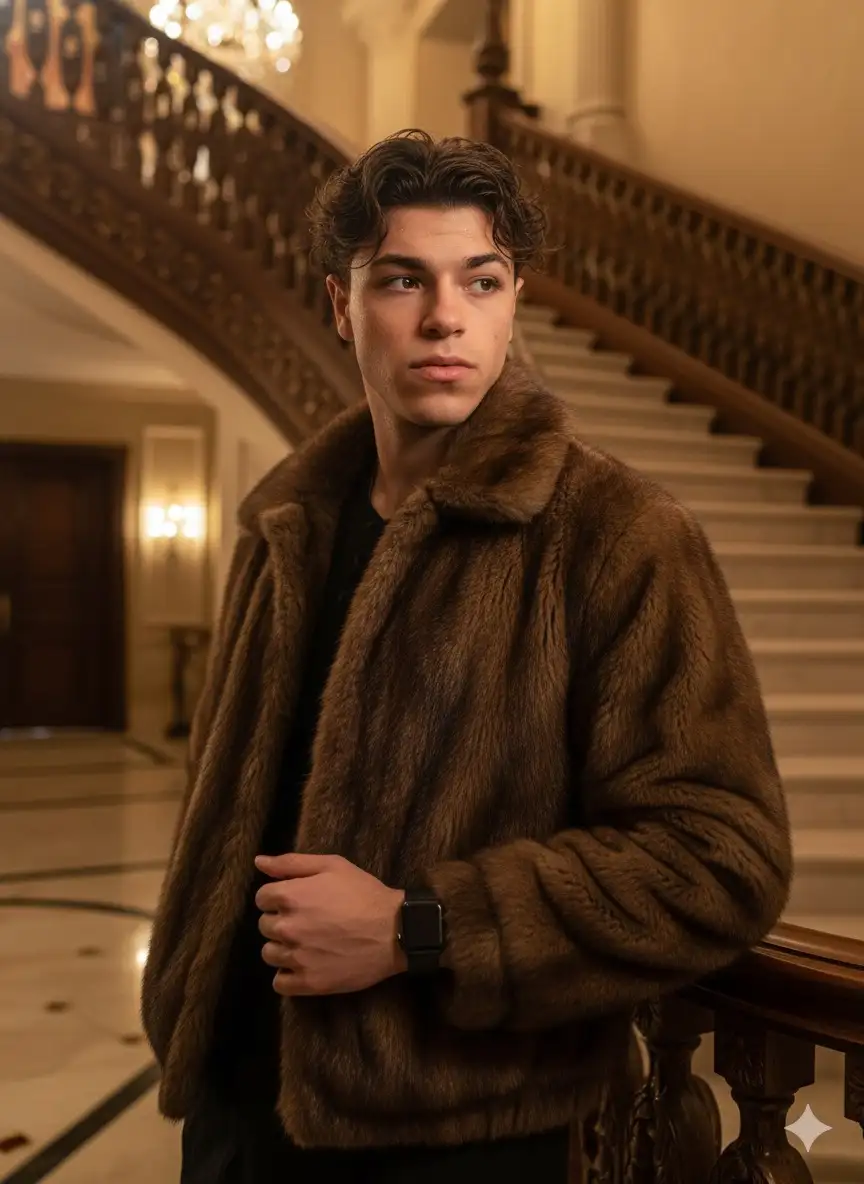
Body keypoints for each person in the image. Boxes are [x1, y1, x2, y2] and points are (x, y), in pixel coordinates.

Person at [141, 130, 793, 1184]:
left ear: (512, 299)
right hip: (231, 1111)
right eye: (403, 279)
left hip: (454, 1136)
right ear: (341, 304)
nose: (445, 315)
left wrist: (419, 927)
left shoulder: (616, 533)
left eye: (479, 280)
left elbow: (722, 858)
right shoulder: (283, 524)